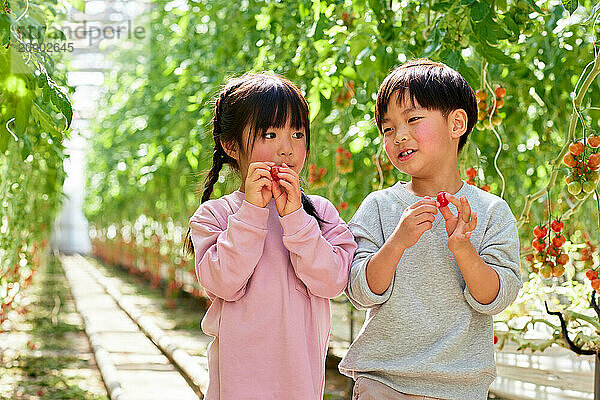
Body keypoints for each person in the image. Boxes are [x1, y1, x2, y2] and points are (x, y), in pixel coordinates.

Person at [338, 59, 522, 400]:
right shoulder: (379, 207)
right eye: (388, 128)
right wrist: (397, 243)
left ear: (456, 123)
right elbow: (359, 292)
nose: (399, 136)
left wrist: (464, 249)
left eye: (412, 119)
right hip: (383, 383)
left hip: (461, 389)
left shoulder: (491, 211)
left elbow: (496, 298)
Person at [183, 72, 357, 400]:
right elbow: (223, 283)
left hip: (302, 388)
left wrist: (295, 218)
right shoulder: (214, 217)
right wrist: (252, 212)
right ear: (231, 145)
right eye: (270, 133)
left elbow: (333, 281)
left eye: (297, 133)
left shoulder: (320, 214)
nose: (286, 149)